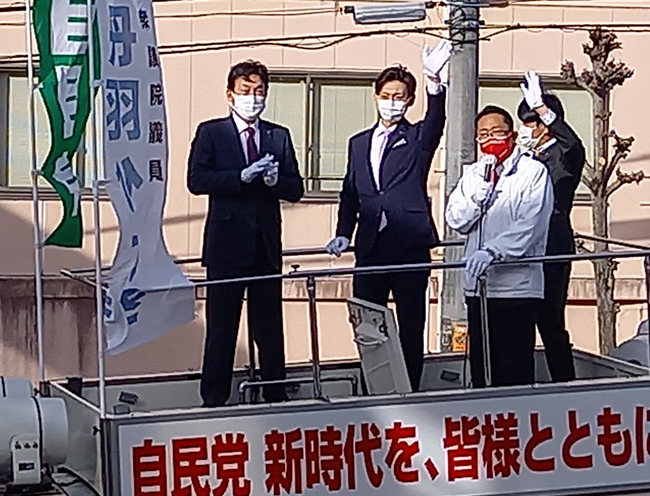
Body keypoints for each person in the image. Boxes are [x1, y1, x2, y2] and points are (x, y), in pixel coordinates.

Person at [324, 41, 453, 392]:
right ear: (375, 96)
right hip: (370, 246)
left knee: (411, 324)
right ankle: (374, 389)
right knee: (368, 323)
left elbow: (436, 122)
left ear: (409, 100)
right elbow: (351, 192)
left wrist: (433, 82)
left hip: (409, 244)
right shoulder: (358, 142)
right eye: (386, 95)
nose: (392, 101)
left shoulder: (416, 138)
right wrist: (343, 232)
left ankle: (409, 389)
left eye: (399, 96)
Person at [187, 60, 304, 406]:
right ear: (230, 95)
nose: (253, 98)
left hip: (265, 245)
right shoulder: (212, 132)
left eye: (259, 91)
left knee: (269, 328)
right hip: (226, 245)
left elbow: (296, 188)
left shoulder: (278, 135)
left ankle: (275, 394)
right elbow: (196, 179)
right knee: (222, 328)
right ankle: (213, 399)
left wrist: (275, 181)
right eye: (245, 90)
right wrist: (239, 177)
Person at [445, 105, 554, 388]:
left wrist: (494, 251)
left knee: (513, 368)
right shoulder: (474, 174)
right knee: (481, 367)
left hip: (517, 287)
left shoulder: (533, 172)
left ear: (512, 134)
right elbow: (455, 218)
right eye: (483, 134)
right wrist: (476, 200)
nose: (489, 139)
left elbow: (531, 223)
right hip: (478, 287)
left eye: (496, 132)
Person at [516, 71, 586, 383]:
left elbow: (574, 144)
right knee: (520, 320)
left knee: (550, 320)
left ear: (545, 125)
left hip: (552, 245)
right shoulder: (522, 158)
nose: (525, 130)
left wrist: (544, 109)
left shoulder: (565, 155)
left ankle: (564, 383)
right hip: (521, 246)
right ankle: (522, 382)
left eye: (530, 123)